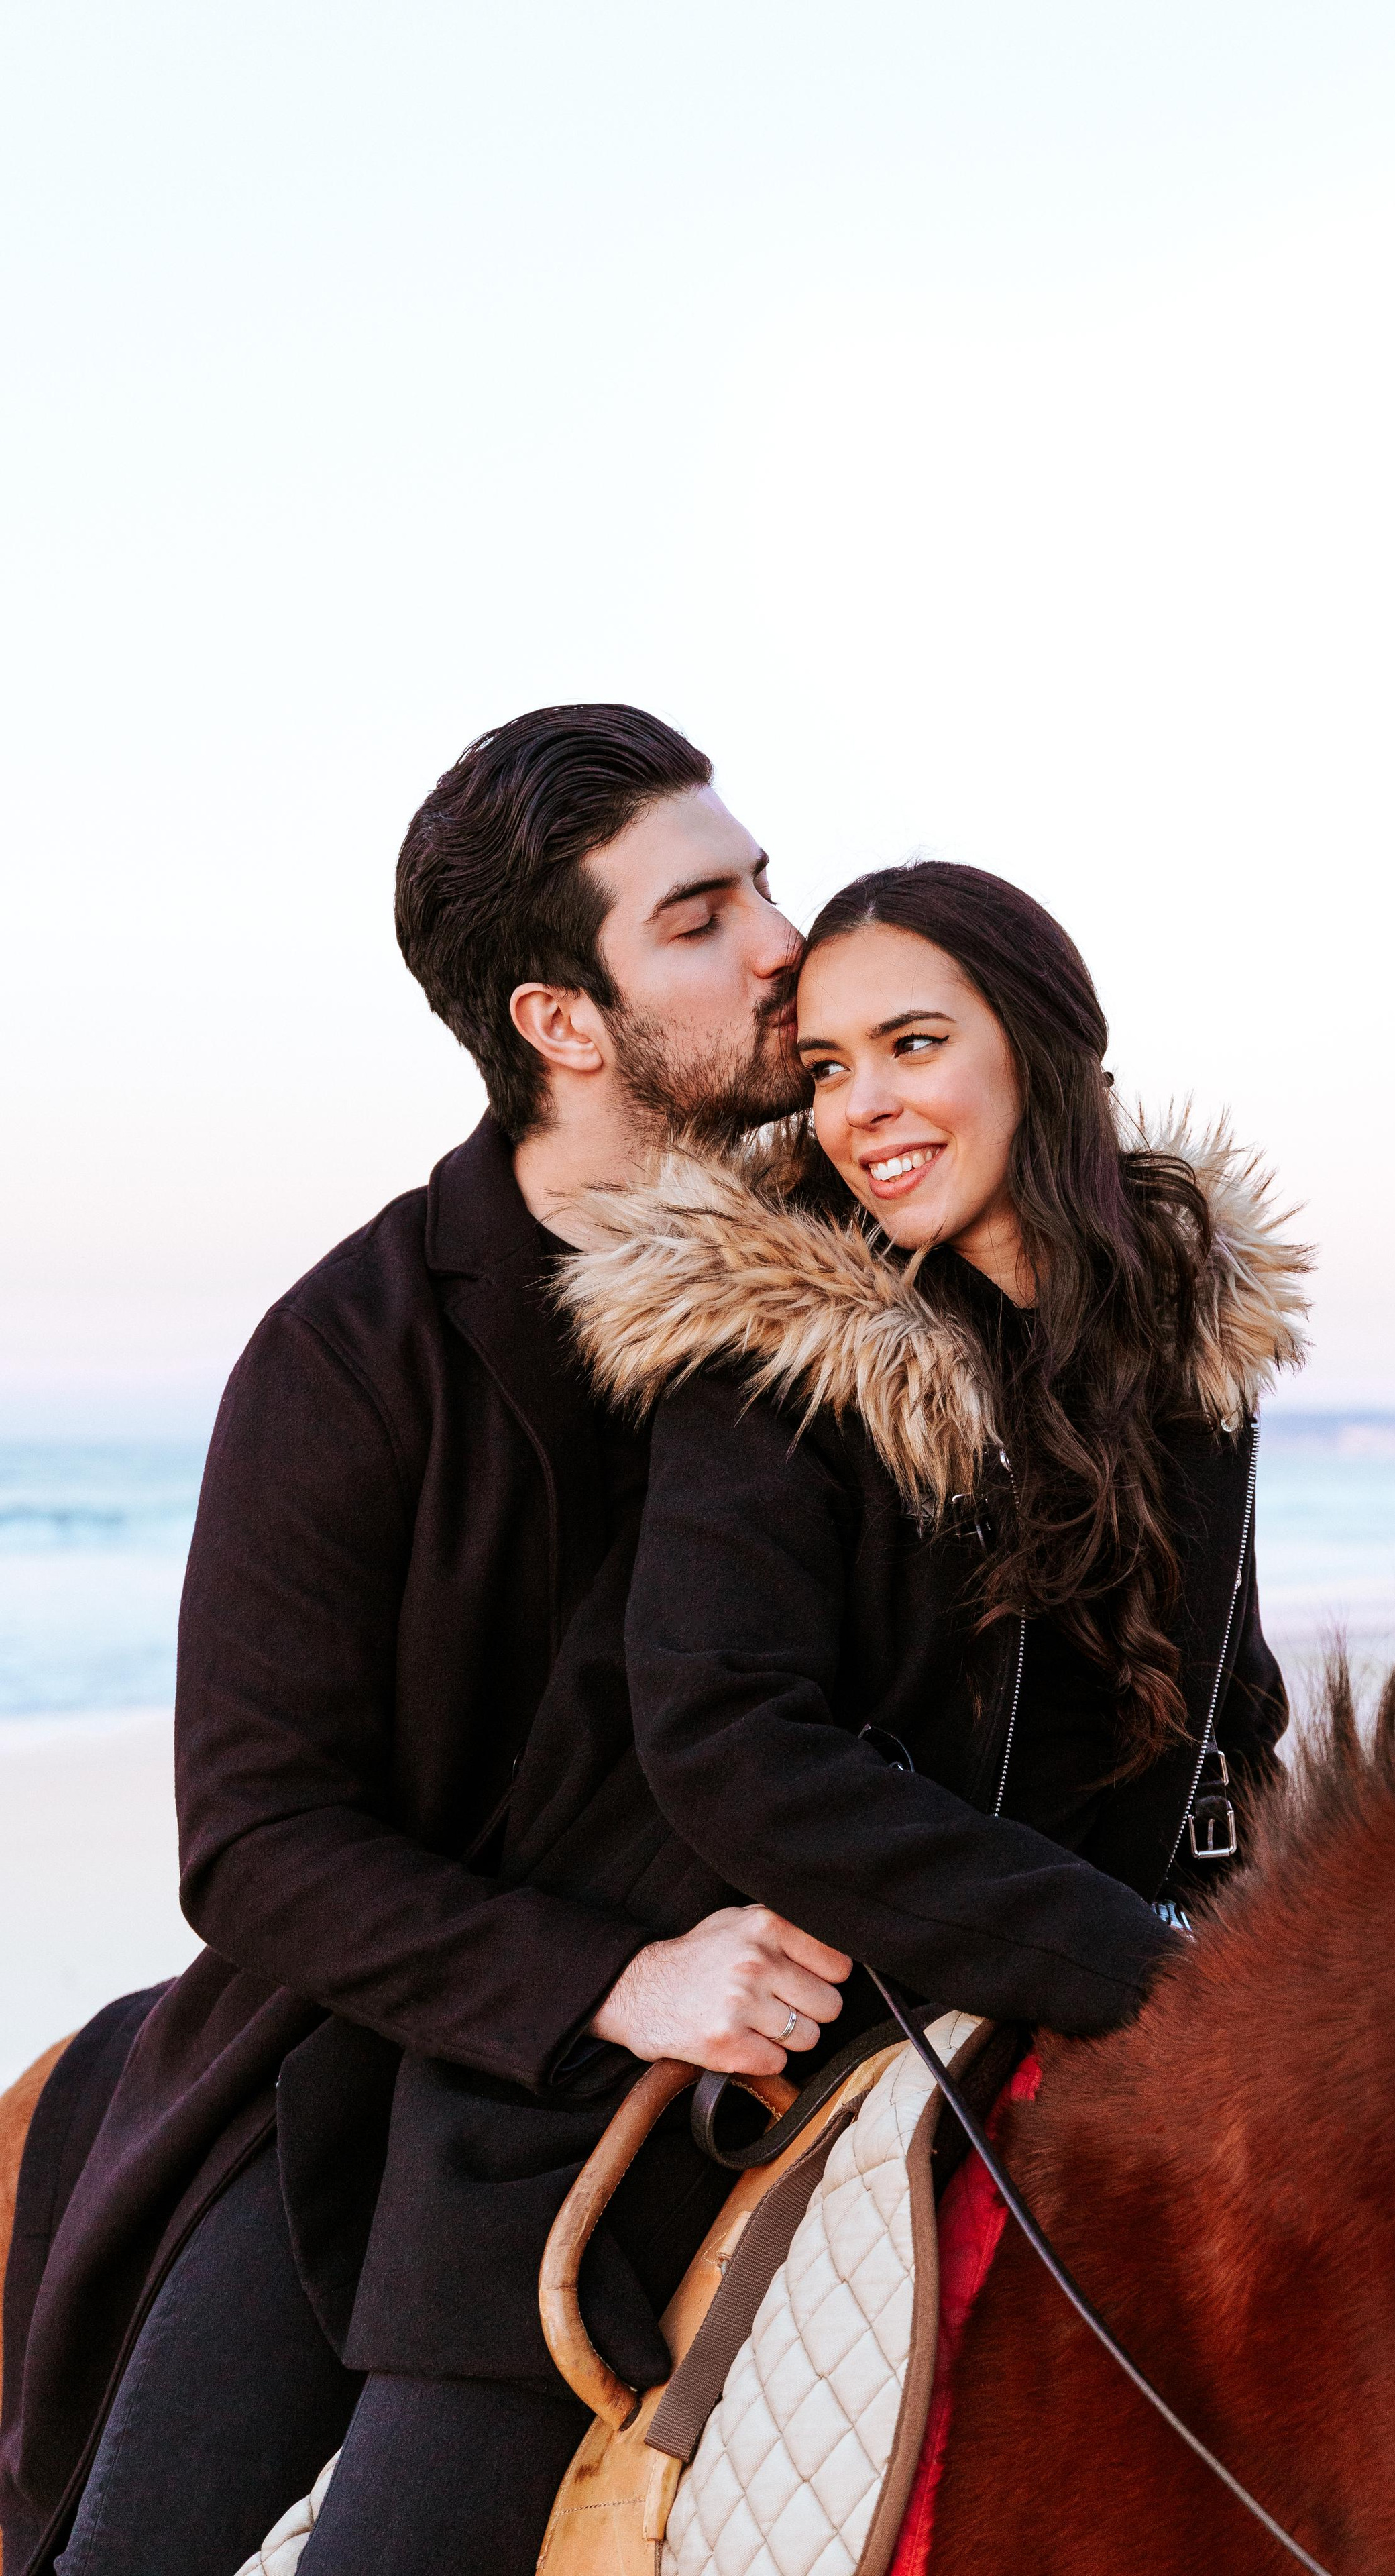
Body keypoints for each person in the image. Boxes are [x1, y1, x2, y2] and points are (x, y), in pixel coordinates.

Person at [0, 705, 850, 2576]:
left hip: (787, 2037)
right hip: (355, 2067)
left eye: (764, 883)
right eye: (701, 917)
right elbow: (254, 1839)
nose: (784, 942)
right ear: (564, 1021)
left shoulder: (857, 1289)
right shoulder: (349, 1354)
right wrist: (619, 1977)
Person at [506, 861, 1308, 2053]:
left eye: (914, 1045)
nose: (858, 1106)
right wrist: (1136, 1971)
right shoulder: (774, 1362)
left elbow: (1233, 1725)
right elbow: (730, 1742)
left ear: (1041, 1050)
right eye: (827, 1068)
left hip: (1170, 1981)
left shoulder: (1185, 1344)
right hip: (876, 2008)